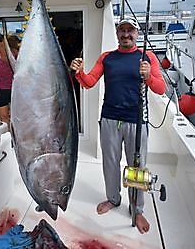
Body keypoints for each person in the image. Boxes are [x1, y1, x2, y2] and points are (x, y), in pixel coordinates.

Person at [70, 17, 166, 234]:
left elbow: (160, 89)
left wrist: (149, 76)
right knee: (110, 163)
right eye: (122, 30)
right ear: (117, 34)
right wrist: (79, 72)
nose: (125, 34)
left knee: (137, 167)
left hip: (136, 120)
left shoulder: (147, 57)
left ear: (137, 34)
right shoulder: (107, 58)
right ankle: (113, 199)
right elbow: (89, 82)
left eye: (130, 31)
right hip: (110, 119)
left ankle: (137, 208)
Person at [0, 32, 18, 125]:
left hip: (15, 88)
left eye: (0, 40)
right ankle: (7, 137)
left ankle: (16, 137)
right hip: (0, 89)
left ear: (4, 41)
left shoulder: (14, 52)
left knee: (16, 116)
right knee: (4, 116)